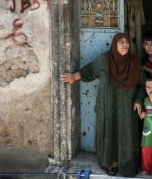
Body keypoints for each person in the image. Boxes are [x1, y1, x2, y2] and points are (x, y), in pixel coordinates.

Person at [61, 33, 145, 177]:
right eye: (121, 42)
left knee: (126, 133)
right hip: (108, 104)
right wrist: (74, 77)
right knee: (109, 131)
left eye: (127, 42)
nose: (125, 45)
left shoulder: (135, 63)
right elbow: (90, 70)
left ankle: (126, 165)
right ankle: (110, 163)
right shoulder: (105, 60)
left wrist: (138, 100)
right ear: (114, 45)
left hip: (127, 107)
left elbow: (142, 85)